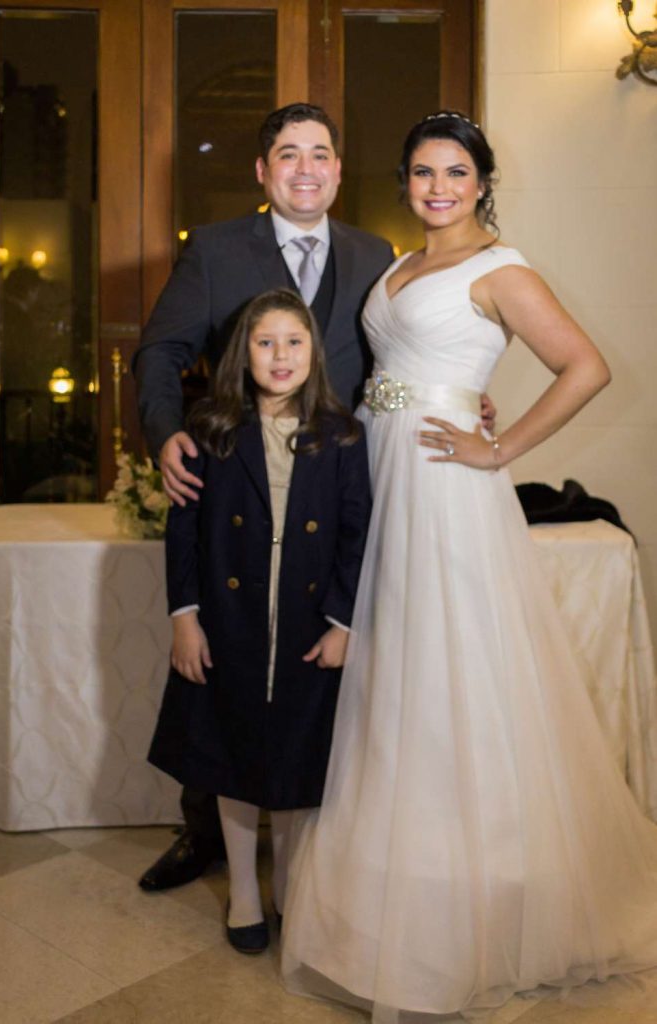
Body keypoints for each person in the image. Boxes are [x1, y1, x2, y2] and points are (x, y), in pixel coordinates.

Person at [281, 111, 657, 1020]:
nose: (438, 187)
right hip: (378, 464)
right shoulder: (399, 266)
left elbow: (584, 366)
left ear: (482, 182)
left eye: (455, 172)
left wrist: (499, 446)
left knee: (449, 663)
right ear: (405, 182)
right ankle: (400, 863)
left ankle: (473, 881)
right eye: (422, 172)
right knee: (390, 658)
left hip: (442, 482)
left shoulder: (502, 269)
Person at [134, 101, 495, 893]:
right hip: (238, 486)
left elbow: (398, 356)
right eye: (288, 155)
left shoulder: (375, 254)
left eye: (320, 153)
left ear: (337, 168)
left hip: (333, 492)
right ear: (263, 171)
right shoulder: (215, 249)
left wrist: (459, 397)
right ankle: (206, 832)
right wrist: (165, 434)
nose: (306, 169)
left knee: (313, 672)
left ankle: (322, 841)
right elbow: (160, 351)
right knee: (227, 657)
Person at [147, 289, 371, 954]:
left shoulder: (342, 435)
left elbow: (356, 535)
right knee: (233, 755)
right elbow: (183, 532)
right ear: (242, 353)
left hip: (307, 624)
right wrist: (185, 618)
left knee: (299, 760)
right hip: (232, 621)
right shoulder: (211, 430)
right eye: (265, 342)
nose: (280, 356)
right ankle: (244, 890)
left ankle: (290, 888)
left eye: (294, 342)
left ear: (314, 352)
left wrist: (342, 623)